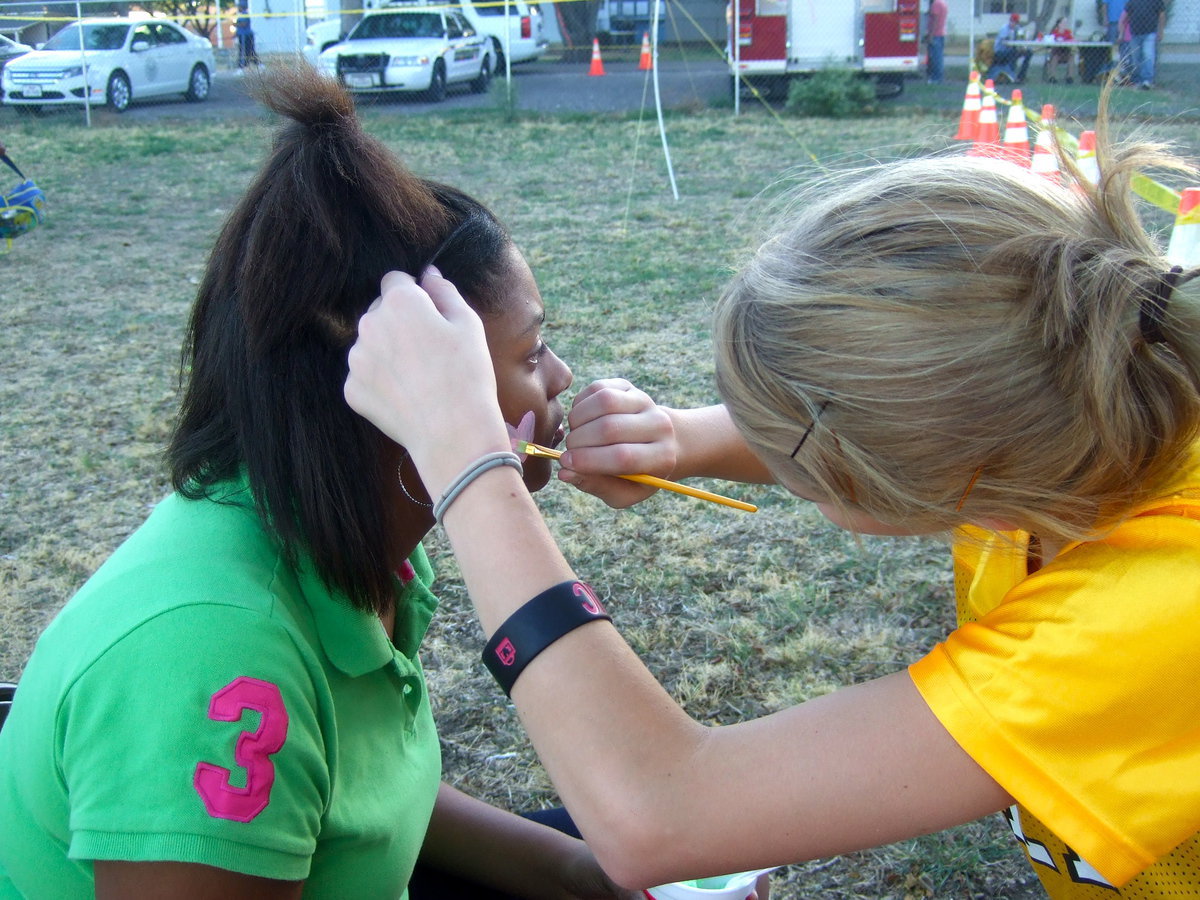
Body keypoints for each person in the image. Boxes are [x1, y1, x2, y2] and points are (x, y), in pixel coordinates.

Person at [344, 106, 1200, 897]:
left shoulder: (1152, 611)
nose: (761, 438)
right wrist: (681, 438)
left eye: (792, 425)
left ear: (921, 464)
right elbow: (891, 431)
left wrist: (467, 459)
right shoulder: (1082, 409)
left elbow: (661, 812)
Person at [0, 65, 635, 900]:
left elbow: (343, 794)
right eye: (528, 353)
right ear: (396, 384)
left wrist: (581, 873)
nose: (558, 377)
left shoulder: (357, 543)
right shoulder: (215, 658)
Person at [1123, 0, 1166, 89]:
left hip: (1150, 33)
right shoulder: (1132, 1)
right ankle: (1137, 80)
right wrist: (1122, 32)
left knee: (1148, 55)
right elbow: (1125, 16)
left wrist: (1160, 31)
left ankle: (1147, 80)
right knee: (1135, 58)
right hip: (1135, 34)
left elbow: (1161, 16)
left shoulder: (1156, 1)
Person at [989, 12, 1032, 83]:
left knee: (1029, 52)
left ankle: (1021, 76)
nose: (1013, 23)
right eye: (1012, 21)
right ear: (1010, 21)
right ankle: (1012, 76)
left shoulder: (1018, 28)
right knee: (1013, 53)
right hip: (1000, 52)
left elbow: (1020, 39)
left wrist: (1022, 44)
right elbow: (1005, 42)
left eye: (1015, 22)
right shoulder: (1004, 28)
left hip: (1011, 50)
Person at [1044, 16, 1076, 83]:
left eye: (1066, 23)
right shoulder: (1054, 32)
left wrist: (1068, 41)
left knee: (1071, 57)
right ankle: (1052, 77)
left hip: (1066, 53)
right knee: (1054, 58)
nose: (1065, 24)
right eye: (1063, 23)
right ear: (1059, 24)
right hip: (1056, 53)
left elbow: (1072, 40)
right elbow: (1050, 41)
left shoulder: (1068, 32)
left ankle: (1069, 77)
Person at [924, 0, 948, 84]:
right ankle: (938, 77)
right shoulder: (942, 3)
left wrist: (930, 35)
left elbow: (935, 21)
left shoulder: (936, 4)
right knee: (939, 56)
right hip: (941, 33)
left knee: (935, 58)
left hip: (935, 34)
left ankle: (936, 78)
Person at [236, 2, 259, 70]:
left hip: (246, 36)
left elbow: (244, 24)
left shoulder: (245, 14)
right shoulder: (240, 15)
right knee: (244, 51)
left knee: (248, 51)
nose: (238, 8)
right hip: (241, 35)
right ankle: (243, 66)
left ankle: (243, 66)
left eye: (239, 7)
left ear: (242, 7)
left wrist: (235, 24)